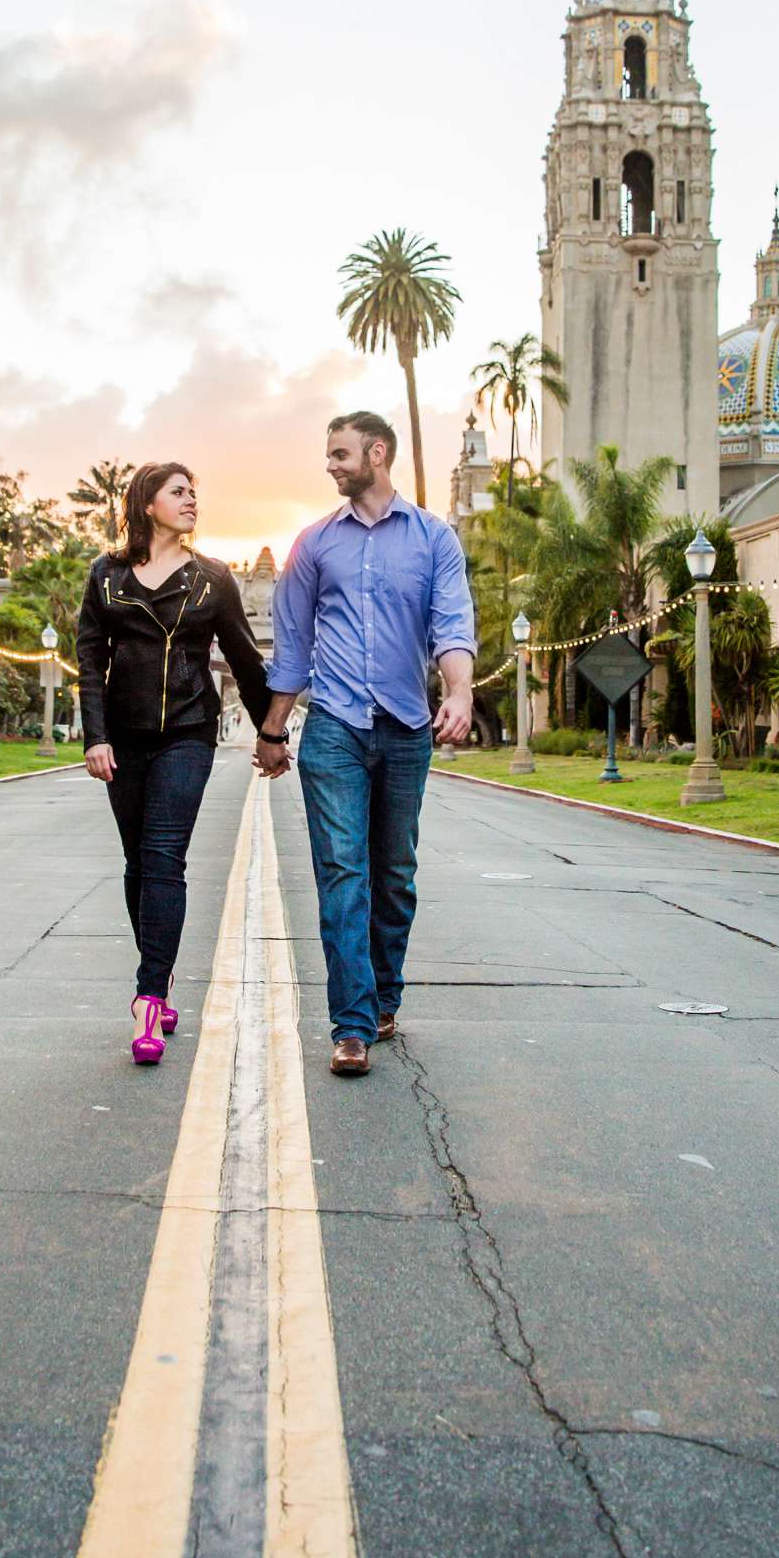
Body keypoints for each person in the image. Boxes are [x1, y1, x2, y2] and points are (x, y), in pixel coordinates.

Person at [256, 412, 475, 1077]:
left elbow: (452, 625)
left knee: (395, 874)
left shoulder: (435, 538)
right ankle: (351, 1025)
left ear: (377, 453)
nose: (330, 465)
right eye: (328, 454)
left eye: (340, 453)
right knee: (344, 874)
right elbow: (292, 646)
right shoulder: (314, 544)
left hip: (407, 730)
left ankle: (383, 994)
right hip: (335, 731)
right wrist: (272, 729)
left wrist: (459, 692)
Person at [77, 461, 272, 1066]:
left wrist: (270, 732)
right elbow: (89, 660)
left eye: (195, 492)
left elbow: (243, 658)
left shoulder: (212, 579)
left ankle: (148, 998)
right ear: (147, 502)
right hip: (124, 739)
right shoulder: (106, 576)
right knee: (139, 862)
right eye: (179, 492)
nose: (192, 501)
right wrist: (96, 736)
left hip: (188, 732)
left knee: (164, 856)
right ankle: (155, 978)